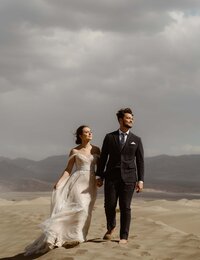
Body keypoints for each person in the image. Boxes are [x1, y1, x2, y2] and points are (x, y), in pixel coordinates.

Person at [24, 125, 100, 256]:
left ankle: (78, 236)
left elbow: (101, 167)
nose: (89, 134)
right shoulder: (74, 151)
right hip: (78, 182)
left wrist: (100, 178)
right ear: (80, 136)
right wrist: (59, 182)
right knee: (80, 207)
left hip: (91, 184)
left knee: (87, 211)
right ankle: (76, 238)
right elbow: (68, 169)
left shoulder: (97, 149)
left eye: (90, 132)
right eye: (86, 132)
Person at [96, 108, 144, 244]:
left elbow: (140, 161)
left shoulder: (137, 140)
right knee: (109, 205)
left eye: (132, 118)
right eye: (128, 118)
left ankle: (124, 236)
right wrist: (99, 176)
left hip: (129, 178)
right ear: (120, 120)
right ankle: (111, 227)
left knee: (125, 207)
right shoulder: (110, 137)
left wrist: (140, 180)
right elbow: (103, 157)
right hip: (111, 177)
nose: (131, 120)